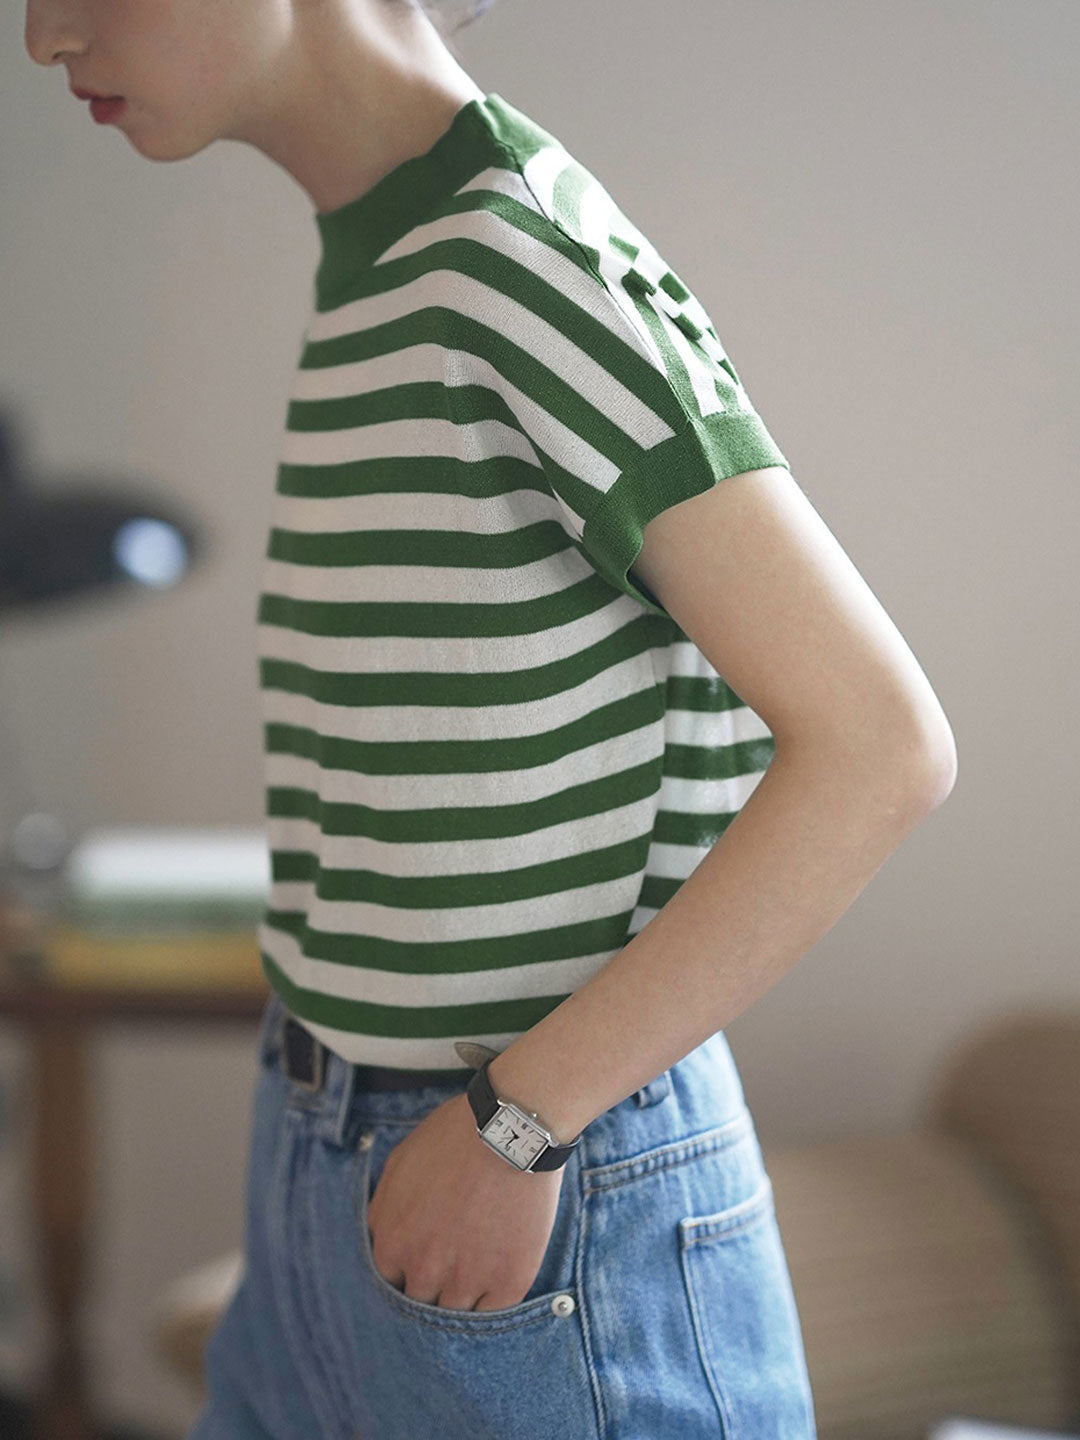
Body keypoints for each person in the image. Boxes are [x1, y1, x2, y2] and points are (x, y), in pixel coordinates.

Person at [26, 1, 958, 1435]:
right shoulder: (390, 257)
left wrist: (515, 1128)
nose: (43, 33)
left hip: (535, 1180)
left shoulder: (516, 256)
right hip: (334, 1144)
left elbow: (881, 746)